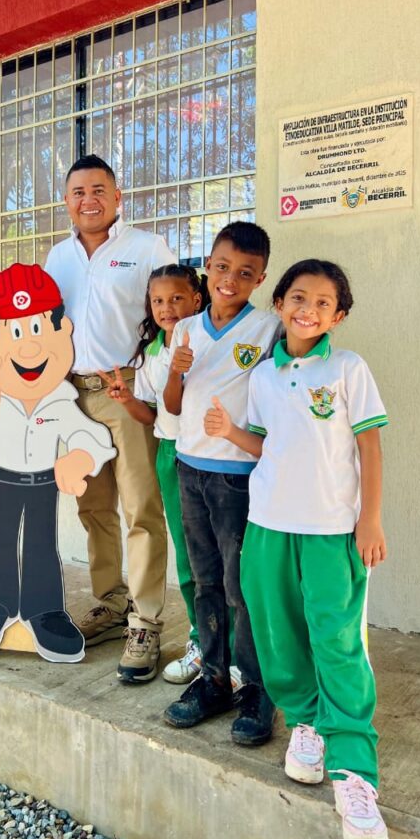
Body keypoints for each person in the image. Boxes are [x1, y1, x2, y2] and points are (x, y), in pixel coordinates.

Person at [205, 259, 389, 839]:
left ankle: (354, 771)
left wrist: (369, 519)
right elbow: (266, 445)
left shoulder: (347, 367)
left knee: (336, 639)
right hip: (268, 526)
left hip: (331, 530)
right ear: (280, 303)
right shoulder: (263, 376)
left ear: (338, 316)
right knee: (278, 635)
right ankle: (307, 723)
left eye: (323, 302)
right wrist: (230, 433)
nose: (308, 309)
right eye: (299, 297)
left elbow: (369, 446)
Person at [44, 155, 176, 683]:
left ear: (118, 197)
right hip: (74, 396)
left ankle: (145, 622)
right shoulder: (57, 258)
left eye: (99, 190)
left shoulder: (147, 248)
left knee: (142, 509)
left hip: (128, 393)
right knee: (93, 508)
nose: (89, 200)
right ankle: (111, 602)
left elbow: (174, 316)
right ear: (66, 201)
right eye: (78, 192)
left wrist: (154, 377)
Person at [0, 263, 116, 663]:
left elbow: (89, 435)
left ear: (62, 330)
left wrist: (79, 458)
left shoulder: (60, 400)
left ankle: (45, 611)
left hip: (44, 482)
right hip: (3, 479)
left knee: (41, 544)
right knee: (0, 543)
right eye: (15, 333)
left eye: (38, 329)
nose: (27, 349)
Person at [162, 221, 280, 745]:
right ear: (207, 265)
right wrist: (176, 370)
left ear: (261, 279)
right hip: (190, 468)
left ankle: (255, 688)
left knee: (241, 588)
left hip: (238, 477)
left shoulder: (269, 329)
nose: (230, 280)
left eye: (245, 273)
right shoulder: (185, 328)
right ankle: (213, 679)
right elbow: (172, 405)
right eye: (223, 267)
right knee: (205, 580)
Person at [97, 264, 208, 684]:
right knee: (188, 554)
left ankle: (236, 648)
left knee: (222, 556)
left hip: (214, 458)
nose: (167, 307)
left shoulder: (210, 339)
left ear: (197, 299)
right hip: (170, 453)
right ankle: (202, 639)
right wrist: (126, 400)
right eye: (158, 300)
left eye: (177, 298)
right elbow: (152, 415)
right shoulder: (153, 352)